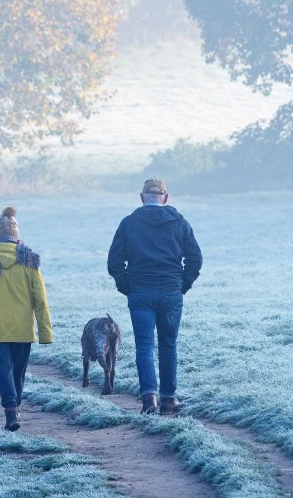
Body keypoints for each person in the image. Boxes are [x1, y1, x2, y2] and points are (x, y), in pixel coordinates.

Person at [107, 178, 202, 416]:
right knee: (168, 345)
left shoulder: (129, 224)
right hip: (171, 291)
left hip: (140, 292)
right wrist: (182, 285)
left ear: (141, 197)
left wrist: (128, 286)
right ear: (166, 198)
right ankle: (169, 400)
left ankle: (149, 399)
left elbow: (114, 262)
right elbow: (195, 259)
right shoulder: (180, 223)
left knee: (144, 346)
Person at [0, 206, 53, 431]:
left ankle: (11, 411)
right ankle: (14, 408)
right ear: (17, 235)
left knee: (3, 370)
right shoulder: (29, 259)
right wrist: (45, 332)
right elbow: (40, 298)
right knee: (18, 371)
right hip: (22, 329)